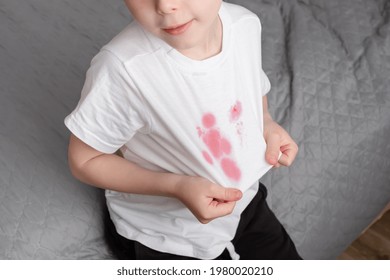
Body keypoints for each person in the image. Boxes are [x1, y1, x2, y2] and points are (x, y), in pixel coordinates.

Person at [65, 0, 301, 260]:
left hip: (243, 200)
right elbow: (84, 160)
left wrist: (266, 123)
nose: (165, 6)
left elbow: (250, 87)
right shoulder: (123, 70)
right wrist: (177, 185)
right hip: (164, 235)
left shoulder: (243, 24)